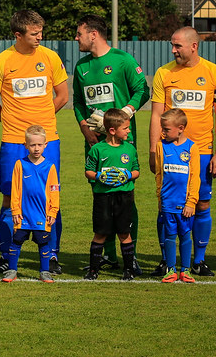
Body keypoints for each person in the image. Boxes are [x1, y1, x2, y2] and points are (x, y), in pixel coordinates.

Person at [0, 10, 68, 274]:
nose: (39, 37)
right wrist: (15, 126)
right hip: (12, 142)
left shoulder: (50, 57)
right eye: (34, 33)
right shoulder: (2, 61)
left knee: (51, 196)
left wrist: (39, 132)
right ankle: (6, 256)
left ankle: (52, 256)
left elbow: (63, 95)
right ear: (18, 34)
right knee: (10, 200)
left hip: (49, 142)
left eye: (41, 32)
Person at [149, 27, 216, 277]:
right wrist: (154, 150)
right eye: (172, 45)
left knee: (202, 203)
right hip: (169, 151)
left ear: (193, 46)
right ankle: (167, 261)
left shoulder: (215, 73)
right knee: (167, 205)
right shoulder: (163, 73)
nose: (173, 50)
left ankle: (199, 261)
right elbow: (156, 115)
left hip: (202, 151)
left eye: (178, 46)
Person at [73, 14, 150, 272]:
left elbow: (142, 89)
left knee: (125, 198)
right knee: (101, 198)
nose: (76, 38)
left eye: (79, 33)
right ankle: (108, 256)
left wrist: (127, 111)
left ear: (93, 34)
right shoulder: (81, 67)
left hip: (122, 145)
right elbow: (78, 102)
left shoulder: (122, 60)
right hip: (95, 142)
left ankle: (132, 254)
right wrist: (85, 128)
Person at [83, 108, 140, 280]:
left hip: (124, 196)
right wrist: (100, 176)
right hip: (103, 197)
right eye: (126, 128)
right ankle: (93, 270)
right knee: (101, 233)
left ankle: (128, 270)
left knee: (124, 233)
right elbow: (88, 171)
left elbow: (136, 170)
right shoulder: (98, 149)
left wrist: (128, 175)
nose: (129, 131)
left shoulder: (129, 150)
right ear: (113, 130)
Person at [3, 125, 60, 284]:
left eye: (39, 145)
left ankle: (45, 272)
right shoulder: (20, 165)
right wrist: (15, 210)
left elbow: (54, 191)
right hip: (23, 213)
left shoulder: (50, 167)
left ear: (45, 145)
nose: (36, 148)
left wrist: (53, 211)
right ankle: (12, 270)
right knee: (17, 241)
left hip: (42, 213)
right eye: (33, 145)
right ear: (26, 145)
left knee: (43, 242)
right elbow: (15, 190)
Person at [153, 109, 200, 284]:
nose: (163, 133)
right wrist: (160, 198)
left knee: (185, 235)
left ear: (180, 128)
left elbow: (195, 177)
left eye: (166, 129)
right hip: (167, 202)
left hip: (185, 204)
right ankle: (171, 270)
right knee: (169, 236)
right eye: (162, 129)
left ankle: (185, 270)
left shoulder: (191, 148)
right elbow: (159, 174)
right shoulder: (161, 146)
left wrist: (191, 202)